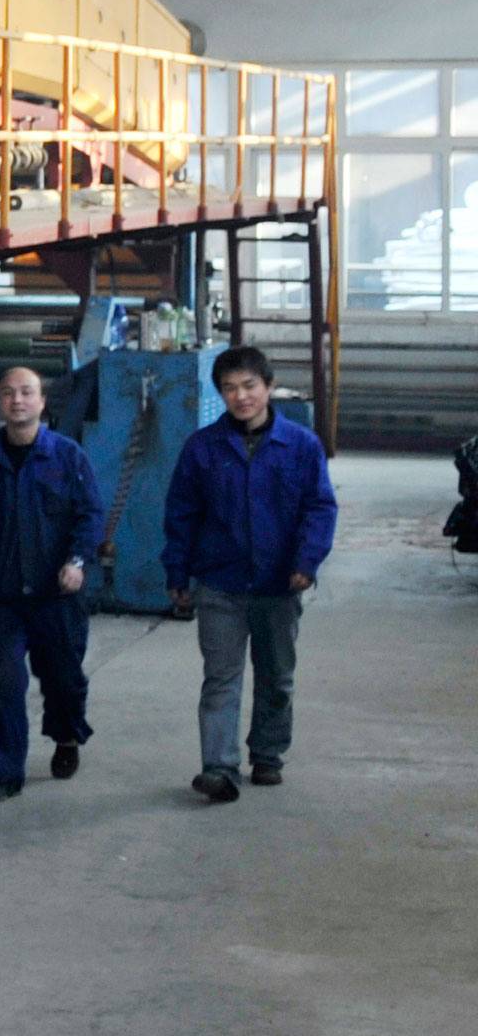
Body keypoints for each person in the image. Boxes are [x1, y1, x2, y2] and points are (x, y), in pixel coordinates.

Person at [163, 344, 337, 803]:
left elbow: (320, 507)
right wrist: (177, 573)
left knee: (276, 676)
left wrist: (307, 561)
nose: (241, 396)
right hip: (219, 582)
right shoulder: (202, 448)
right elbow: (181, 514)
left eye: (249, 386)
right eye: (229, 388)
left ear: (269, 386)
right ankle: (219, 769)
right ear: (219, 393)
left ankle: (268, 754)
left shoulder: (301, 446)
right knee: (221, 678)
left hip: (279, 584)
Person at [0, 364, 103, 804]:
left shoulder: (69, 458)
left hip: (58, 597)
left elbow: (90, 516)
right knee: (3, 686)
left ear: (42, 401)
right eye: (9, 393)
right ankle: (8, 772)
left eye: (27, 392)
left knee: (64, 681)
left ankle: (66, 736)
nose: (18, 400)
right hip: (2, 597)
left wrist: (77, 561)